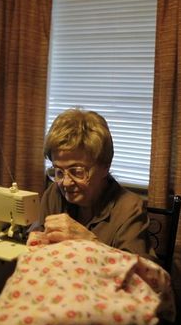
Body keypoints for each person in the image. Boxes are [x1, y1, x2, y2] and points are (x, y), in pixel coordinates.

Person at [28, 108, 154, 260]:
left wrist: (89, 243)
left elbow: (138, 276)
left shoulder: (130, 209)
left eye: (77, 171)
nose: (65, 183)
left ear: (105, 167)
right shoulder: (54, 194)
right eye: (59, 171)